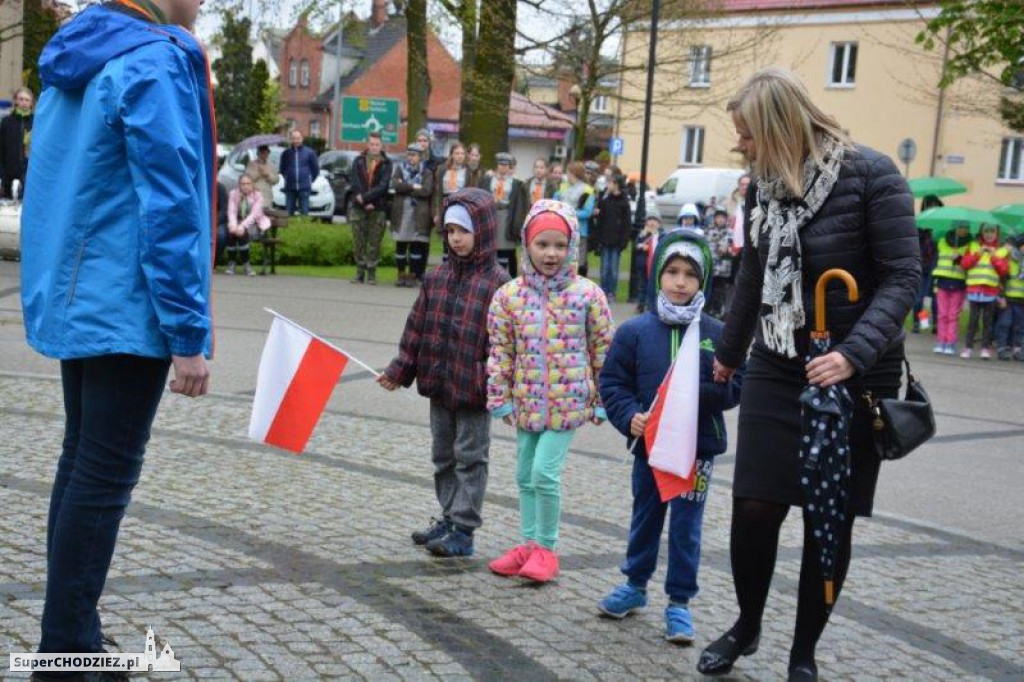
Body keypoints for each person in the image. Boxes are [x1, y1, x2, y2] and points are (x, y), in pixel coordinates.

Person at [702, 68, 919, 682]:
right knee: (754, 506)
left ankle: (803, 653)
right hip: (778, 360)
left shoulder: (873, 176)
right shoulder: (764, 187)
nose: (740, 145)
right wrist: (730, 349)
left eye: (746, 134)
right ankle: (746, 626)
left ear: (777, 129)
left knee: (831, 515)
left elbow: (905, 277)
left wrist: (853, 354)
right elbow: (753, 272)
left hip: (856, 372)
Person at [19, 0, 214, 667]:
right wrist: (188, 332)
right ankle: (68, 651)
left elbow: (50, 183)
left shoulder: (77, 55)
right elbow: (172, 203)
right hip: (129, 308)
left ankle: (69, 635)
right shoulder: (153, 60)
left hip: (83, 297)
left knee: (81, 467)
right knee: (100, 475)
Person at [597, 229, 744, 643]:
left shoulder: (719, 334)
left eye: (690, 275)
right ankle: (634, 585)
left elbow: (737, 385)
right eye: (672, 272)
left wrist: (689, 390)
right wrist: (630, 418)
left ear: (704, 282)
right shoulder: (635, 332)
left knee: (686, 525)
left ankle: (679, 602)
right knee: (646, 516)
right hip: (650, 446)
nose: (680, 282)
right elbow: (612, 383)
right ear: (658, 275)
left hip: (698, 451)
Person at [486, 199, 614, 583]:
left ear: (572, 247)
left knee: (544, 472)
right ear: (527, 245)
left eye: (560, 245)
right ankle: (527, 544)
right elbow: (500, 350)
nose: (551, 254)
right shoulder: (508, 296)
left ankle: (546, 548)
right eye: (543, 245)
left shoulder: (588, 295)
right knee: (524, 473)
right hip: (526, 401)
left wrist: (604, 399)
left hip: (568, 403)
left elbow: (604, 350)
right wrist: (499, 396)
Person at [378, 188, 510, 557]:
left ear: (482, 232)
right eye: (450, 231)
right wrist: (399, 370)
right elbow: (416, 330)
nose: (456, 239)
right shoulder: (436, 278)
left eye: (463, 231)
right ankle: (448, 516)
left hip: (474, 390)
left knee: (470, 456)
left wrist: (494, 380)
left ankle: (464, 528)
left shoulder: (499, 284)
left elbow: (505, 343)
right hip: (439, 383)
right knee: (443, 455)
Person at [959, 223, 1009, 359]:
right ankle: (968, 347)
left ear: (997, 233)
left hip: (990, 292)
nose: (989, 234)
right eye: (986, 231)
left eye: (992, 231)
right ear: (982, 232)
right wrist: (977, 254)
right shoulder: (974, 246)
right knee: (972, 321)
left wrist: (994, 257)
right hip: (974, 290)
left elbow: (1004, 270)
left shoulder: (1002, 250)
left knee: (987, 322)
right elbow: (964, 264)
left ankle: (985, 348)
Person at [349, 131, 393, 285]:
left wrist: (368, 199)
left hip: (378, 206)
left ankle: (372, 273)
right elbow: (355, 181)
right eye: (372, 144)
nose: (374, 147)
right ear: (368, 144)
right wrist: (362, 199)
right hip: (358, 207)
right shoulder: (358, 161)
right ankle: (359, 272)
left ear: (381, 146)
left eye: (377, 145)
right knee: (359, 241)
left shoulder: (387, 163)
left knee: (374, 242)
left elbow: (383, 186)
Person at [389, 143, 434, 287]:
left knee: (416, 246)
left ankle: (413, 275)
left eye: (414, 155)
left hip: (419, 213)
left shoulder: (427, 172)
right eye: (409, 154)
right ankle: (401, 274)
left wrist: (406, 187)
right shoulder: (400, 169)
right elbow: (395, 184)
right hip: (402, 211)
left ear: (420, 157)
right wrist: (414, 186)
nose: (411, 158)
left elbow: (426, 190)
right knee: (401, 245)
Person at [485, 152, 528, 277]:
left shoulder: (516, 183)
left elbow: (520, 205)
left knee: (504, 247)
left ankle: (502, 275)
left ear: (510, 167)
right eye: (500, 164)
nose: (503, 167)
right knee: (491, 247)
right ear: (497, 165)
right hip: (491, 215)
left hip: (506, 216)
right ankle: (491, 274)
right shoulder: (489, 179)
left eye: (506, 165)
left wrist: (518, 223)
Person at [932, 222, 972, 355]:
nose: (963, 230)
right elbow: (939, 257)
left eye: (966, 228)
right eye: (960, 227)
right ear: (955, 228)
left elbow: (969, 262)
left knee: (953, 315)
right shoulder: (943, 241)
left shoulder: (970, 244)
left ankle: (950, 342)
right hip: (943, 280)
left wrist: (960, 257)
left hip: (959, 281)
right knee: (942, 314)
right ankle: (940, 341)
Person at [592, 173, 631, 299]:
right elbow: (600, 218)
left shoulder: (624, 202)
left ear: (616, 185)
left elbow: (626, 223)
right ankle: (603, 290)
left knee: (614, 269)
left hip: (616, 241)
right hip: (604, 239)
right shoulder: (605, 200)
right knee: (604, 268)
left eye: (610, 183)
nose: (607, 185)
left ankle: (611, 292)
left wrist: (623, 242)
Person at [225, 174, 271, 276]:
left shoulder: (258, 195)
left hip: (253, 224)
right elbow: (231, 211)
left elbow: (253, 215)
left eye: (248, 184)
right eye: (243, 184)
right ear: (239, 185)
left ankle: (247, 265)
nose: (245, 186)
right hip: (237, 221)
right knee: (231, 233)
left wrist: (241, 227)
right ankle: (231, 264)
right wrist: (233, 225)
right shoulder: (233, 194)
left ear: (252, 184)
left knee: (242, 234)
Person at [912, 195, 942, 333]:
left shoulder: (942, 226)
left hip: (938, 267)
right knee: (919, 299)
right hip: (923, 266)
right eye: (929, 205)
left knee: (935, 300)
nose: (932, 207)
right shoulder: (919, 224)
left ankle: (935, 324)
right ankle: (920, 323)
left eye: (934, 205)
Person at [561, 161, 595, 277]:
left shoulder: (587, 190)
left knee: (578, 262)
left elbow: (587, 212)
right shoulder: (564, 187)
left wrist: (569, 212)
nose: (567, 175)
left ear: (573, 173)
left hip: (580, 231)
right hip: (563, 230)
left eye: (568, 172)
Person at [995, 232, 1024, 361]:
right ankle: (1002, 348)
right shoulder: (1010, 258)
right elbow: (996, 256)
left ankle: (1018, 350)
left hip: (1022, 300)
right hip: (1007, 298)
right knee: (1004, 324)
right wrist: (1007, 247)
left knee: (1020, 326)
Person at [1, 86, 34, 199]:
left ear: (31, 103)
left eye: (27, 100)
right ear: (15, 100)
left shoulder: (36, 123)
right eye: (20, 99)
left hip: (29, 175)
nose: (23, 103)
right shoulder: (6, 122)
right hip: (8, 176)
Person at [279, 129, 319, 216]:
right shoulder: (286, 153)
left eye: (298, 138)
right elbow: (282, 169)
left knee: (304, 212)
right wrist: (287, 177)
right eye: (294, 138)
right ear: (291, 139)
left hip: (304, 188)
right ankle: (289, 229)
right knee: (288, 213)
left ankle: (304, 228)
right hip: (290, 188)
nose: (296, 140)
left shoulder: (309, 153)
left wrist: (309, 179)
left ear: (302, 139)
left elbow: (315, 169)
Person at [635, 204, 666, 313]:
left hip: (654, 265)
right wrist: (641, 244)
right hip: (643, 265)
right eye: (650, 220)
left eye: (655, 220)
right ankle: (641, 304)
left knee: (653, 286)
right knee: (642, 285)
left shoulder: (661, 235)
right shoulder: (643, 234)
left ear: (659, 223)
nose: (652, 223)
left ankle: (651, 305)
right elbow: (637, 245)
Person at [705, 208, 734, 318]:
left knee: (720, 290)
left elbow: (730, 244)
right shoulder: (708, 230)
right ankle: (707, 309)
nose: (720, 219)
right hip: (710, 266)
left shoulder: (730, 232)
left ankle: (718, 310)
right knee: (709, 289)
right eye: (718, 217)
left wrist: (726, 247)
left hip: (722, 268)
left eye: (723, 217)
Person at [433, 142, 469, 230]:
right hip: (446, 203)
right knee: (446, 232)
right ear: (452, 154)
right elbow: (437, 192)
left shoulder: (467, 171)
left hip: (460, 204)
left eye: (462, 153)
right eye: (457, 153)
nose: (460, 156)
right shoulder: (442, 169)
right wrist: (437, 212)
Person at [245, 144, 280, 214]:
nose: (264, 155)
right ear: (258, 153)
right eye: (262, 153)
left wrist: (268, 175)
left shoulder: (271, 165)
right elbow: (247, 179)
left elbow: (276, 180)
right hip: (254, 195)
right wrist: (259, 174)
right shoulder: (251, 164)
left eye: (266, 153)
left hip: (267, 196)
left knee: (266, 218)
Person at [215, 180, 229, 265]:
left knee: (221, 235)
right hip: (203, 221)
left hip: (218, 221)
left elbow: (224, 209)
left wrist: (215, 222)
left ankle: (215, 261)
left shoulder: (220, 188)